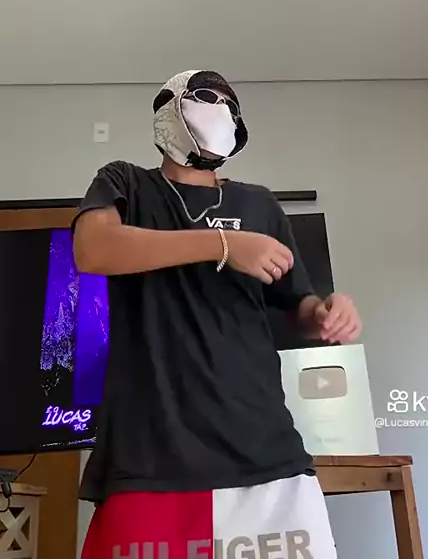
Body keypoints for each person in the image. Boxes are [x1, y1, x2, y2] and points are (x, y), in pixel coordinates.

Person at [73, 69, 362, 559]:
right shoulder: (126, 183)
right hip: (150, 455)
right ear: (169, 111)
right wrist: (224, 245)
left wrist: (328, 311)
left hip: (263, 452)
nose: (222, 110)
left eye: (230, 104)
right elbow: (93, 248)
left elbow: (300, 303)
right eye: (208, 97)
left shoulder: (259, 203)